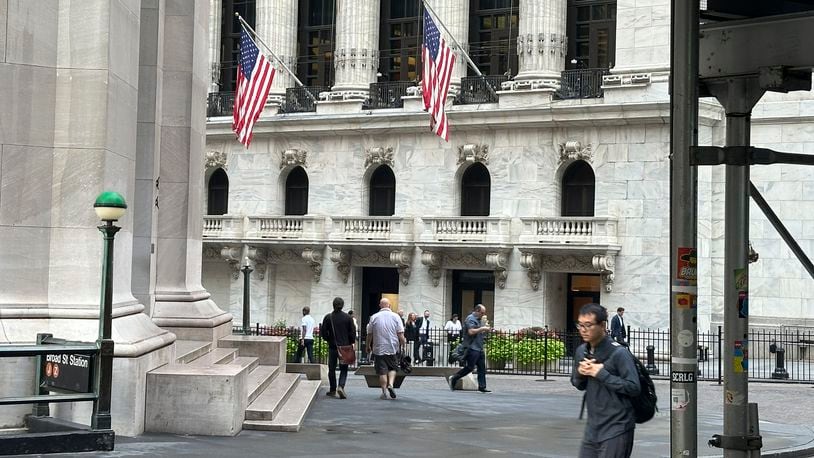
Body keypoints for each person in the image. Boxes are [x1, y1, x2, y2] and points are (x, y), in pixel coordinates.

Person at [571, 303, 640, 458]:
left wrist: (601, 374)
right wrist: (580, 374)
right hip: (592, 429)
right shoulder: (581, 351)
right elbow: (577, 384)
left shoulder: (619, 353)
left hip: (617, 428)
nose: (583, 329)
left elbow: (634, 387)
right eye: (580, 325)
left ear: (602, 325)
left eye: (588, 325)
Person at [365, 298, 405, 400]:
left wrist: (368, 345)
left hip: (379, 348)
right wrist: (403, 344)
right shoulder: (396, 316)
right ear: (389, 306)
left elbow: (369, 334)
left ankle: (384, 392)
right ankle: (391, 384)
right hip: (392, 347)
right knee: (392, 368)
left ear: (380, 305)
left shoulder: (374, 317)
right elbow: (400, 333)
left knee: (382, 371)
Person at [449, 304, 491, 393]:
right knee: (470, 367)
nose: (483, 315)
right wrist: (482, 328)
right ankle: (455, 377)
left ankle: (482, 386)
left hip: (479, 347)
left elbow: (480, 332)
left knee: (482, 367)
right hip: (472, 347)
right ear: (477, 311)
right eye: (482, 313)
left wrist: (486, 329)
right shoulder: (470, 319)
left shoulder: (480, 320)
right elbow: (471, 332)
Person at [321, 297, 355, 399]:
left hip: (333, 346)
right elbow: (352, 333)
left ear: (333, 305)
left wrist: (329, 340)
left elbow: (323, 332)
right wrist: (350, 342)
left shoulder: (328, 317)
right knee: (344, 368)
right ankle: (341, 386)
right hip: (345, 346)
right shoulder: (348, 318)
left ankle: (332, 389)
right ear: (342, 305)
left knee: (331, 368)